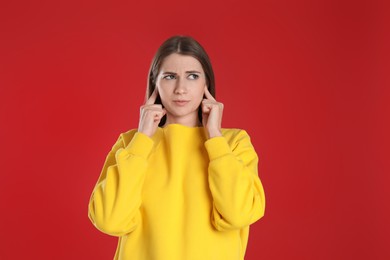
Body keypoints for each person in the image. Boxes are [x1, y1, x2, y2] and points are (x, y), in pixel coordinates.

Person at [88, 35, 266, 260]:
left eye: (192, 76)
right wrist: (142, 139)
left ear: (206, 83)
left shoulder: (233, 143)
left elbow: (239, 214)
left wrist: (214, 138)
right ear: (155, 83)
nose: (181, 88)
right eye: (170, 77)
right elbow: (109, 220)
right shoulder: (132, 143)